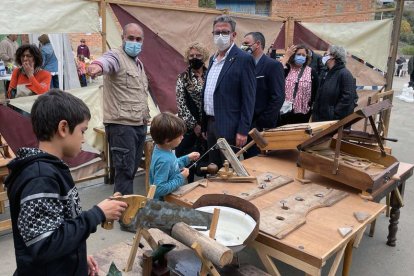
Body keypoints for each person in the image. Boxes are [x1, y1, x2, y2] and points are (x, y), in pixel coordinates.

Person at [5, 90, 128, 276]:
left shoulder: (51, 169)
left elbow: (58, 227)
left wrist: (76, 256)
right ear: (63, 128)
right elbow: (44, 244)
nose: (84, 139)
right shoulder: (40, 178)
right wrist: (98, 214)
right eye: (82, 131)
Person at [87, 23, 150, 196]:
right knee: (124, 174)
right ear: (123, 38)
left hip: (138, 124)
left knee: (130, 172)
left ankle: (126, 211)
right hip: (122, 127)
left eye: (138, 39)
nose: (134, 42)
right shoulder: (116, 55)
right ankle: (125, 218)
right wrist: (96, 67)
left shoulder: (138, 64)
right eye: (130, 38)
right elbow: (105, 62)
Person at [201, 15, 256, 167]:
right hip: (211, 124)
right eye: (217, 32)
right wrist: (205, 125)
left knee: (229, 171)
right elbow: (209, 92)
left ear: (233, 35)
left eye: (225, 32)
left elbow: (249, 99)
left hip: (230, 127)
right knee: (213, 168)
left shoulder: (244, 59)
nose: (220, 36)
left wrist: (243, 130)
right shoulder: (213, 59)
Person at [241, 32, 285, 158]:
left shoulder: (273, 66)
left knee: (260, 159)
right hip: (246, 124)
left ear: (258, 44)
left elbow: (278, 97)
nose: (243, 47)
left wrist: (262, 122)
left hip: (262, 126)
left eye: (246, 44)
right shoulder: (244, 65)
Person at [175, 42, 209, 182]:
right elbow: (181, 103)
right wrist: (195, 125)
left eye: (198, 55)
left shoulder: (210, 74)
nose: (195, 58)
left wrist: (206, 125)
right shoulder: (182, 78)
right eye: (191, 55)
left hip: (209, 124)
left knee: (207, 159)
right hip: (190, 127)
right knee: (189, 160)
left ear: (204, 57)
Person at [149, 112, 200, 200]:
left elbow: (172, 166)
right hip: (163, 206)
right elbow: (159, 189)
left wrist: (187, 158)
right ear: (167, 140)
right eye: (179, 136)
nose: (182, 138)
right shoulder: (164, 160)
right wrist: (181, 178)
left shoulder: (162, 150)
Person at [312, 45, 358, 122]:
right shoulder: (325, 72)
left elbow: (348, 98)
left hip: (331, 121)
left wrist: (334, 114)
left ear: (333, 56)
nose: (324, 56)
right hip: (320, 119)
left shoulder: (344, 74)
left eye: (326, 54)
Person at [279, 44, 319, 125]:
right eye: (298, 54)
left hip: (302, 113)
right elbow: (275, 74)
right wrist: (286, 57)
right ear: (293, 55)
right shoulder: (286, 68)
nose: (301, 57)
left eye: (303, 55)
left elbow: (315, 91)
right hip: (284, 111)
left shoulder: (311, 72)